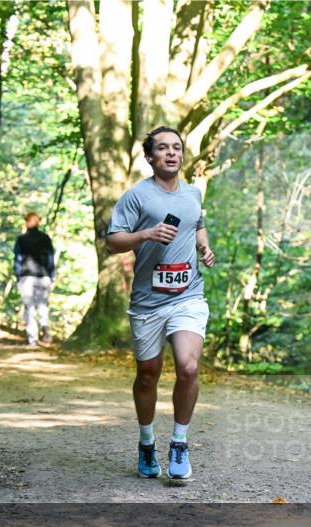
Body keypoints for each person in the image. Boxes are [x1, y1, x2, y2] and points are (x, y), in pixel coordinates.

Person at [106, 126, 216, 480]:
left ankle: (180, 444)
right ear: (150, 157)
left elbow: (197, 223)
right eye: (163, 148)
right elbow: (112, 241)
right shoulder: (137, 197)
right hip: (148, 303)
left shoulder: (193, 193)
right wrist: (146, 234)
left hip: (188, 296)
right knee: (148, 374)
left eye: (177, 148)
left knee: (187, 366)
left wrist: (203, 245)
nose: (172, 153)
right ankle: (146, 442)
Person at [13, 211, 55, 347]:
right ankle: (44, 324)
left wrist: (18, 275)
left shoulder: (21, 239)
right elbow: (50, 259)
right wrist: (51, 275)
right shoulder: (46, 238)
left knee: (29, 307)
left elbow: (18, 259)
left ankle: (33, 339)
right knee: (42, 305)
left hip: (27, 277)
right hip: (43, 276)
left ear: (26, 222)